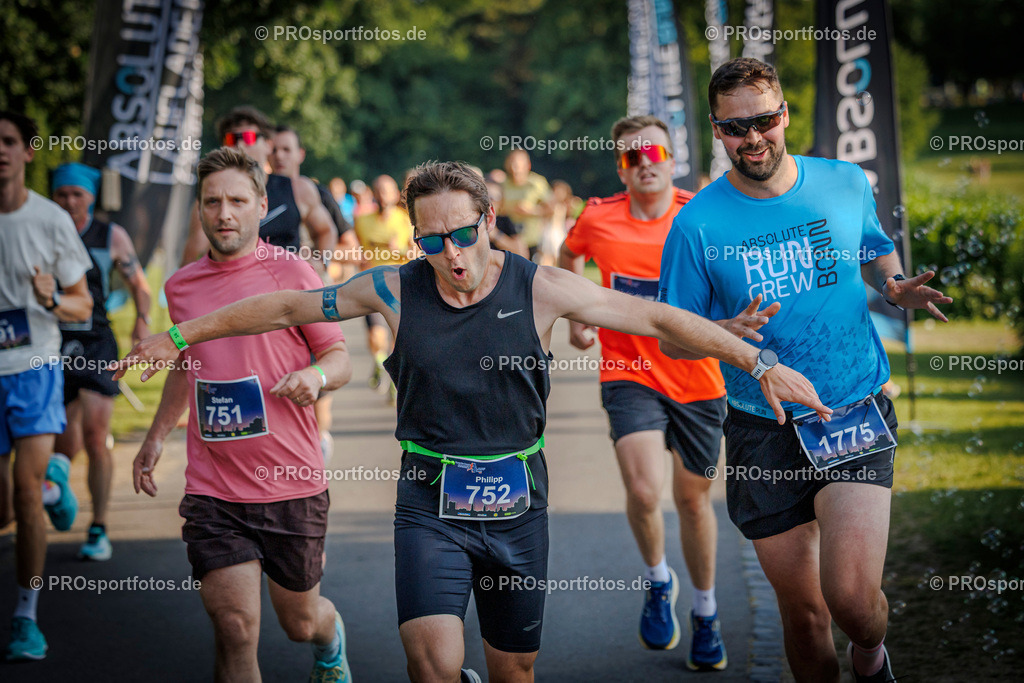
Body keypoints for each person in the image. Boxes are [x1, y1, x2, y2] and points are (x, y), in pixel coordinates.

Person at [117, 160, 831, 683]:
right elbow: (280, 308)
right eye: (431, 241)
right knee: (431, 661)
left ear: (489, 219)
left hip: (518, 505)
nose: (450, 256)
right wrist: (179, 337)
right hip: (428, 505)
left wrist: (756, 360)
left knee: (513, 669)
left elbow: (651, 316)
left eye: (461, 235)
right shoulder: (394, 288)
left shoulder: (539, 286)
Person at [658, 58, 952, 683]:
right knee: (805, 617)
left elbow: (873, 247)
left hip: (852, 410)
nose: (753, 138)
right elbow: (675, 339)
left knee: (851, 604)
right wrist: (721, 336)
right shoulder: (695, 225)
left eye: (764, 120)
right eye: (736, 128)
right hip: (763, 430)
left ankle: (873, 656)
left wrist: (894, 286)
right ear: (717, 131)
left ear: (785, 114)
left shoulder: (844, 181)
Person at [560, 114, 778, 671]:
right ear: (621, 168)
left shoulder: (700, 214)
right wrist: (578, 319)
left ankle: (705, 612)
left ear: (671, 159)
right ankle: (659, 580)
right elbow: (569, 259)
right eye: (633, 157)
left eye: (654, 153)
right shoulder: (597, 217)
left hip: (699, 379)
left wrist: (731, 326)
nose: (646, 164)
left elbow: (737, 280)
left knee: (691, 499)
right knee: (641, 487)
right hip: (627, 370)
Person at [131, 146, 353, 681]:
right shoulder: (181, 286)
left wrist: (315, 377)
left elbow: (339, 357)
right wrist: (157, 434)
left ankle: (330, 643)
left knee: (299, 622)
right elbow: (188, 365)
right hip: (215, 488)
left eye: (236, 200)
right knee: (234, 627)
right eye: (212, 202)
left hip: (291, 482)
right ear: (200, 210)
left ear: (260, 205)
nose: (223, 213)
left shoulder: (294, 272)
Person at [0, 111, 94, 660]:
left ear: (28, 151)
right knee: (7, 503)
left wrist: (51, 299)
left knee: (23, 491)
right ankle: (56, 488)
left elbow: (82, 303)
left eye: (9, 141)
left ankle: (25, 619)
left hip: (34, 367)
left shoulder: (50, 220)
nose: (1, 151)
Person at [51, 162, 152, 561]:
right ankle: (57, 491)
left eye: (77, 194)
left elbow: (139, 284)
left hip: (95, 343)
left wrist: (142, 322)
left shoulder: (110, 235)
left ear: (91, 197)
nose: (70, 201)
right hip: (50, 344)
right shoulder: (43, 230)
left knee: (95, 434)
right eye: (62, 194)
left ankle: (99, 526)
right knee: (60, 437)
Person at [270, 124, 359, 462]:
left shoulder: (312, 192)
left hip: (309, 299)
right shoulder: (254, 191)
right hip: (265, 303)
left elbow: (340, 235)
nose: (279, 156)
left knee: (317, 375)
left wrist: (320, 266)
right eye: (274, 149)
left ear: (299, 155)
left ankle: (319, 443)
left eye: (286, 149)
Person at [180, 106, 338, 264]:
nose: (240, 146)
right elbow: (194, 254)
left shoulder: (298, 188)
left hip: (290, 284)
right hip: (240, 285)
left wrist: (321, 263)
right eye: (231, 139)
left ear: (269, 145)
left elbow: (326, 231)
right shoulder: (211, 199)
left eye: (248, 137)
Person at [353, 174, 415, 403]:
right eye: (378, 190)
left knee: (395, 339)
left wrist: (399, 248)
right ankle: (380, 364)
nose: (382, 195)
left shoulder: (405, 220)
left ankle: (392, 378)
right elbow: (355, 251)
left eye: (387, 190)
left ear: (395, 194)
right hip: (370, 284)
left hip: (399, 284)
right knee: (375, 336)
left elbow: (416, 254)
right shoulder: (362, 220)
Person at [499, 150, 551, 261]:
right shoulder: (503, 184)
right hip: (510, 239)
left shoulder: (537, 183)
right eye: (511, 164)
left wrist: (532, 211)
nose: (514, 169)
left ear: (528, 165)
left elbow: (551, 209)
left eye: (517, 165)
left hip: (532, 239)